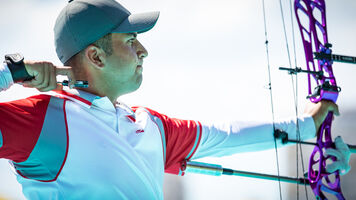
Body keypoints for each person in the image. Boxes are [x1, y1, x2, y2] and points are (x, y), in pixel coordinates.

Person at [0, 0, 351, 199]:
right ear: (96, 56)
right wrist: (11, 74)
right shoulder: (41, 120)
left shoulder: (148, 124)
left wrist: (307, 125)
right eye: (131, 41)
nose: (144, 51)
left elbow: (225, 134)